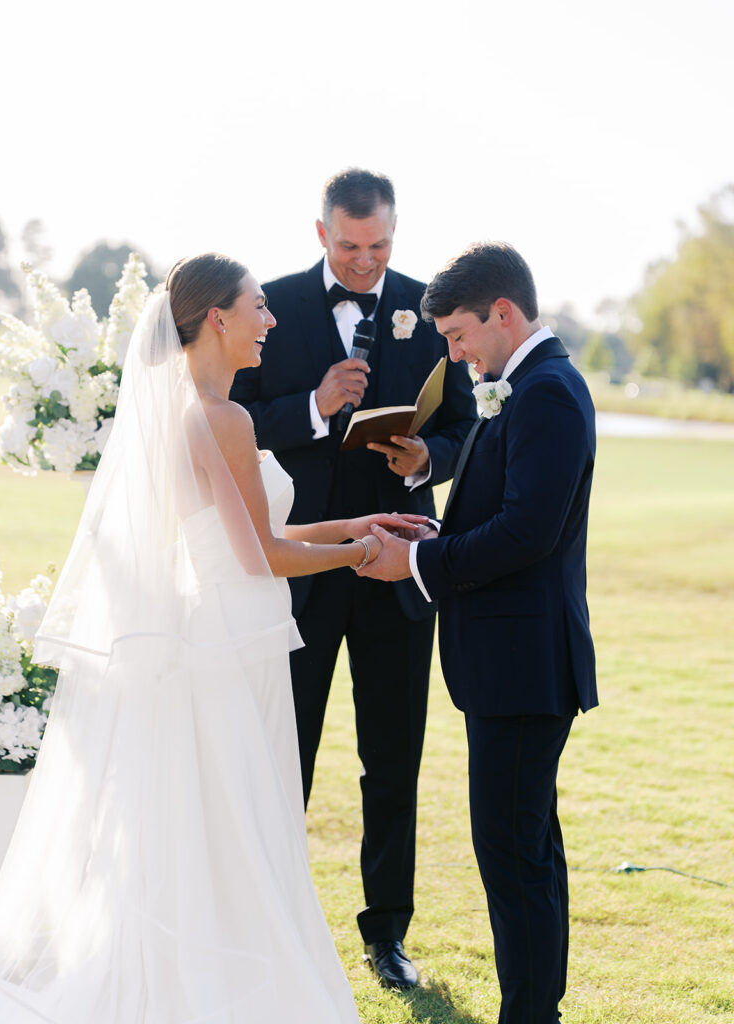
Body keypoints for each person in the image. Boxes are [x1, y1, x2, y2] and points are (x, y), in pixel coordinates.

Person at [0, 253, 425, 1023]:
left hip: (212, 629)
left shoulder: (191, 409)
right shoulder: (223, 416)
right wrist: (362, 557)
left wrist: (355, 522)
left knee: (210, 819)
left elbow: (254, 533)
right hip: (232, 641)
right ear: (218, 317)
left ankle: (189, 976)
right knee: (240, 819)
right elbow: (262, 556)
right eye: (258, 308)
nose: (271, 320)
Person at [230, 168, 477, 988]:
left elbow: (464, 430)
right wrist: (313, 404)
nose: (367, 262)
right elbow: (227, 421)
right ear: (320, 234)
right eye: (350, 246)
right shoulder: (266, 306)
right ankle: (270, 926)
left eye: (380, 246)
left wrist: (425, 459)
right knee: (283, 754)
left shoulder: (428, 307)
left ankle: (387, 936)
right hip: (297, 570)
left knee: (393, 760)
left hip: (398, 571)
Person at [359, 242, 598, 1023]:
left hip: (525, 665)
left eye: (459, 335)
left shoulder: (548, 392)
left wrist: (417, 561)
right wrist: (436, 526)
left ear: (503, 314)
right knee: (526, 846)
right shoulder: (521, 385)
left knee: (513, 853)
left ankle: (530, 1014)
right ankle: (537, 1009)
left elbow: (529, 533)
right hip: (510, 662)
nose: (454, 353)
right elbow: (506, 514)